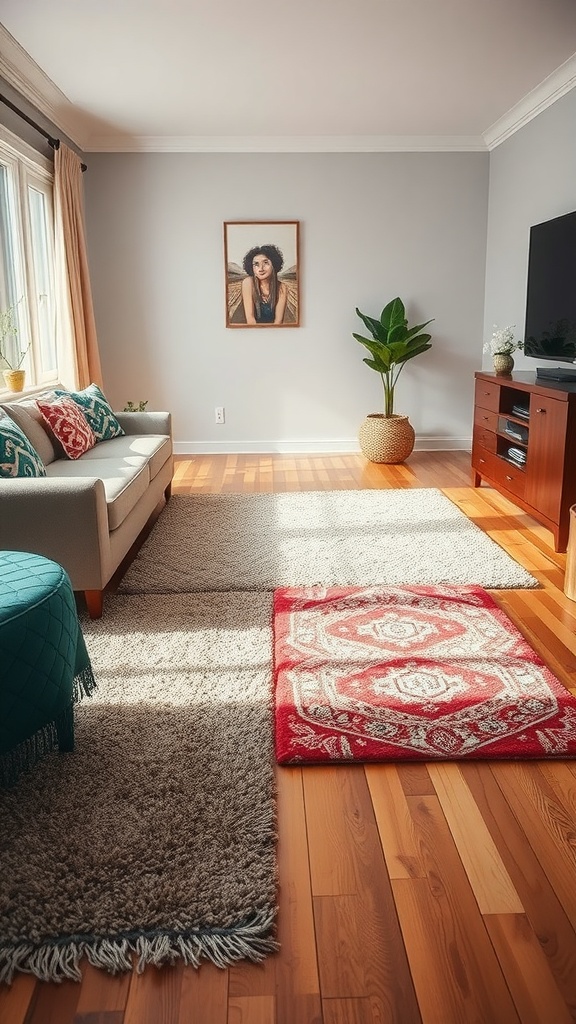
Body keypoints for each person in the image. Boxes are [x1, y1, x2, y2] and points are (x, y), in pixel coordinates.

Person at [240, 244, 288, 325]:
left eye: (265, 263)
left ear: (274, 264)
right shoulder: (248, 283)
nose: (261, 268)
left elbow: (278, 322)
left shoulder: (282, 287)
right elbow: (250, 320)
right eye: (256, 264)